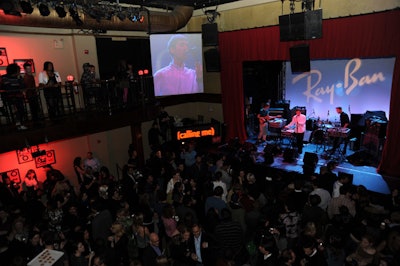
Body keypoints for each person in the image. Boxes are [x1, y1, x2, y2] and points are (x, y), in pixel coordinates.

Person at [0, 63, 27, 130]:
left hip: (18, 97)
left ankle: (20, 124)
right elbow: (8, 88)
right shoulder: (4, 77)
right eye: (18, 70)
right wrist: (17, 88)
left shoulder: (19, 77)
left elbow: (23, 86)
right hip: (10, 97)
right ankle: (18, 124)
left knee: (21, 110)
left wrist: (19, 80)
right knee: (17, 110)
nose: (19, 72)